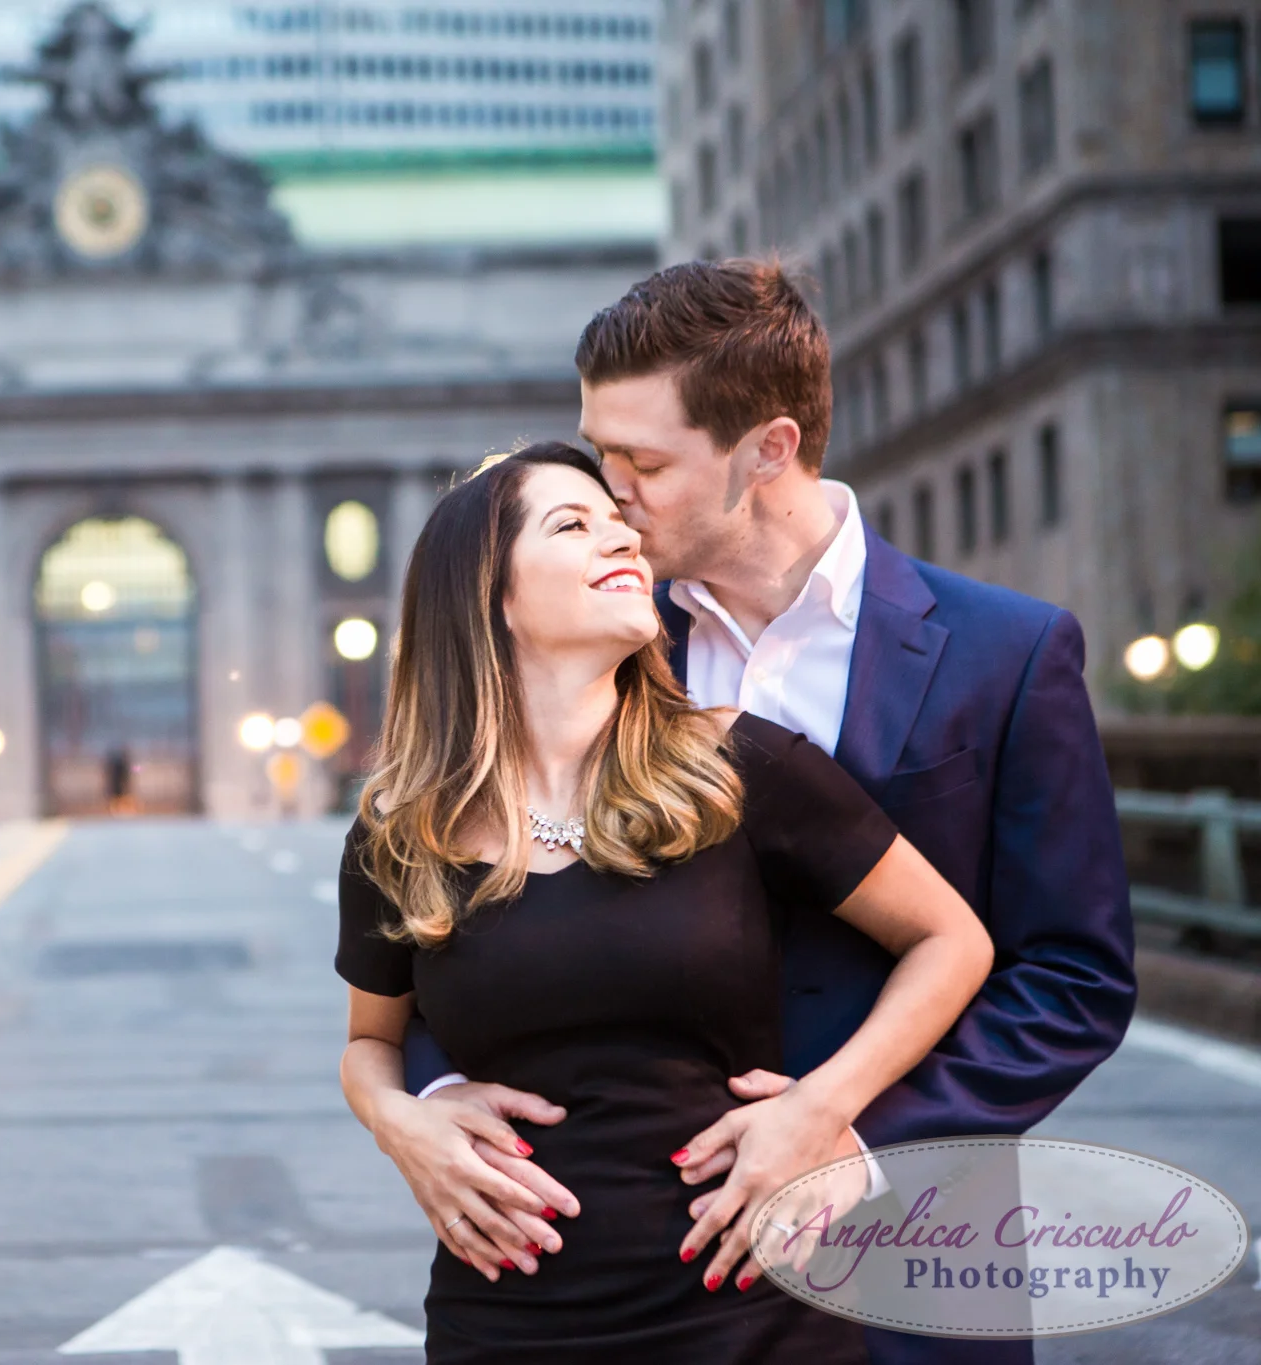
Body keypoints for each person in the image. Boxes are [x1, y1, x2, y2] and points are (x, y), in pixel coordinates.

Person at [381, 260, 1137, 1365]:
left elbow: (1070, 978)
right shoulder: (591, 643)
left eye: (641, 462)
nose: (610, 495)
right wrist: (429, 1100)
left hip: (912, 1259)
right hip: (631, 1278)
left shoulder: (1005, 655)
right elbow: (468, 917)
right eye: (597, 457)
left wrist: (847, 1136)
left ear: (766, 451)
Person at [337, 441, 995, 1362]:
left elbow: (951, 939)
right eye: (575, 525)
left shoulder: (738, 764)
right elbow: (371, 1040)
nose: (623, 541)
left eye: (621, 524)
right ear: (489, 595)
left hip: (749, 1305)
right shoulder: (403, 831)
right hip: (505, 1320)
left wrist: (823, 1106)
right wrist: (399, 1120)